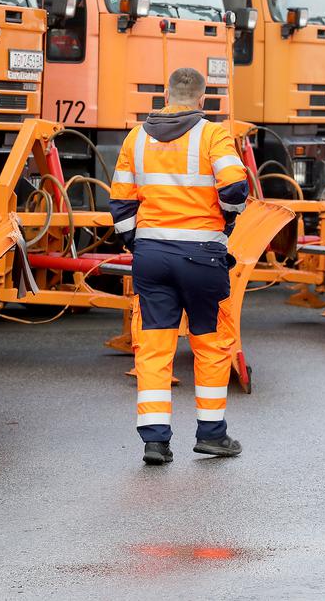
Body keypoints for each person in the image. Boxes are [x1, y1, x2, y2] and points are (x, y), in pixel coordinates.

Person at [109, 67, 249, 465]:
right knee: (210, 344)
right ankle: (212, 435)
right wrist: (227, 219)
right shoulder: (213, 134)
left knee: (153, 347)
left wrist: (138, 242)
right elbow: (236, 188)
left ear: (165, 95)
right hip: (202, 257)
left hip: (151, 256)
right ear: (202, 99)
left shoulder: (135, 138)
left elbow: (120, 203)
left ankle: (155, 442)